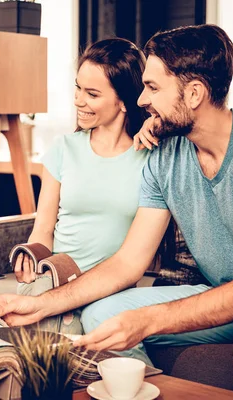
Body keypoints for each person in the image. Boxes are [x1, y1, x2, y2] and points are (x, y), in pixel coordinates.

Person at [0, 24, 233, 392]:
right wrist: (43, 304)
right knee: (103, 312)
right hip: (223, 291)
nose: (141, 100)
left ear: (195, 93)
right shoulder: (163, 156)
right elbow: (128, 262)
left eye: (153, 87)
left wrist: (148, 320)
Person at [14, 38, 148, 333]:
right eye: (77, 88)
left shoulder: (151, 158)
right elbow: (44, 227)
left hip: (112, 288)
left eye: (92, 93)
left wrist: (156, 125)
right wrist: (31, 253)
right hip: (57, 275)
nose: (78, 100)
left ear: (124, 100)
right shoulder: (64, 148)